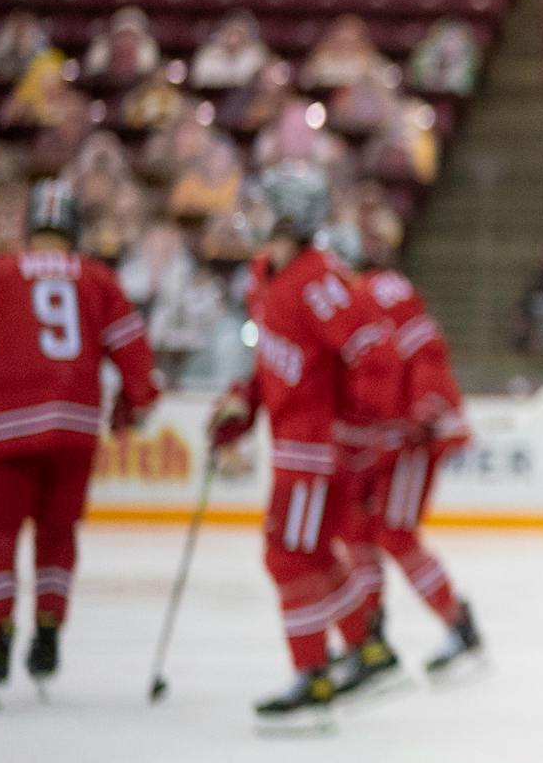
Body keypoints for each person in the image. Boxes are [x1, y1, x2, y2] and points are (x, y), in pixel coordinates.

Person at [205, 162, 414, 728]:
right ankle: (367, 649)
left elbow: (375, 351)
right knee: (314, 554)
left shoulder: (317, 278)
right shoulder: (266, 276)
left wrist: (357, 426)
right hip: (295, 445)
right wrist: (242, 408)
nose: (254, 215)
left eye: (266, 206)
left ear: (291, 216)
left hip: (315, 450)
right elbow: (274, 366)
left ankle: (313, 674)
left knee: (287, 555)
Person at [0, 181, 160, 701]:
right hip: (74, 428)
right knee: (58, 536)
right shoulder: (98, 278)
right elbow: (134, 350)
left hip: (3, 427)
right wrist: (135, 402)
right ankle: (49, 633)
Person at [324, 212, 484, 678]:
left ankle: (458, 624)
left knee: (393, 534)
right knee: (357, 534)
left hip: (411, 440)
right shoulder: (340, 302)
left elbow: (423, 345)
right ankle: (369, 639)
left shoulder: (381, 290)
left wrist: (428, 403)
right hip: (380, 442)